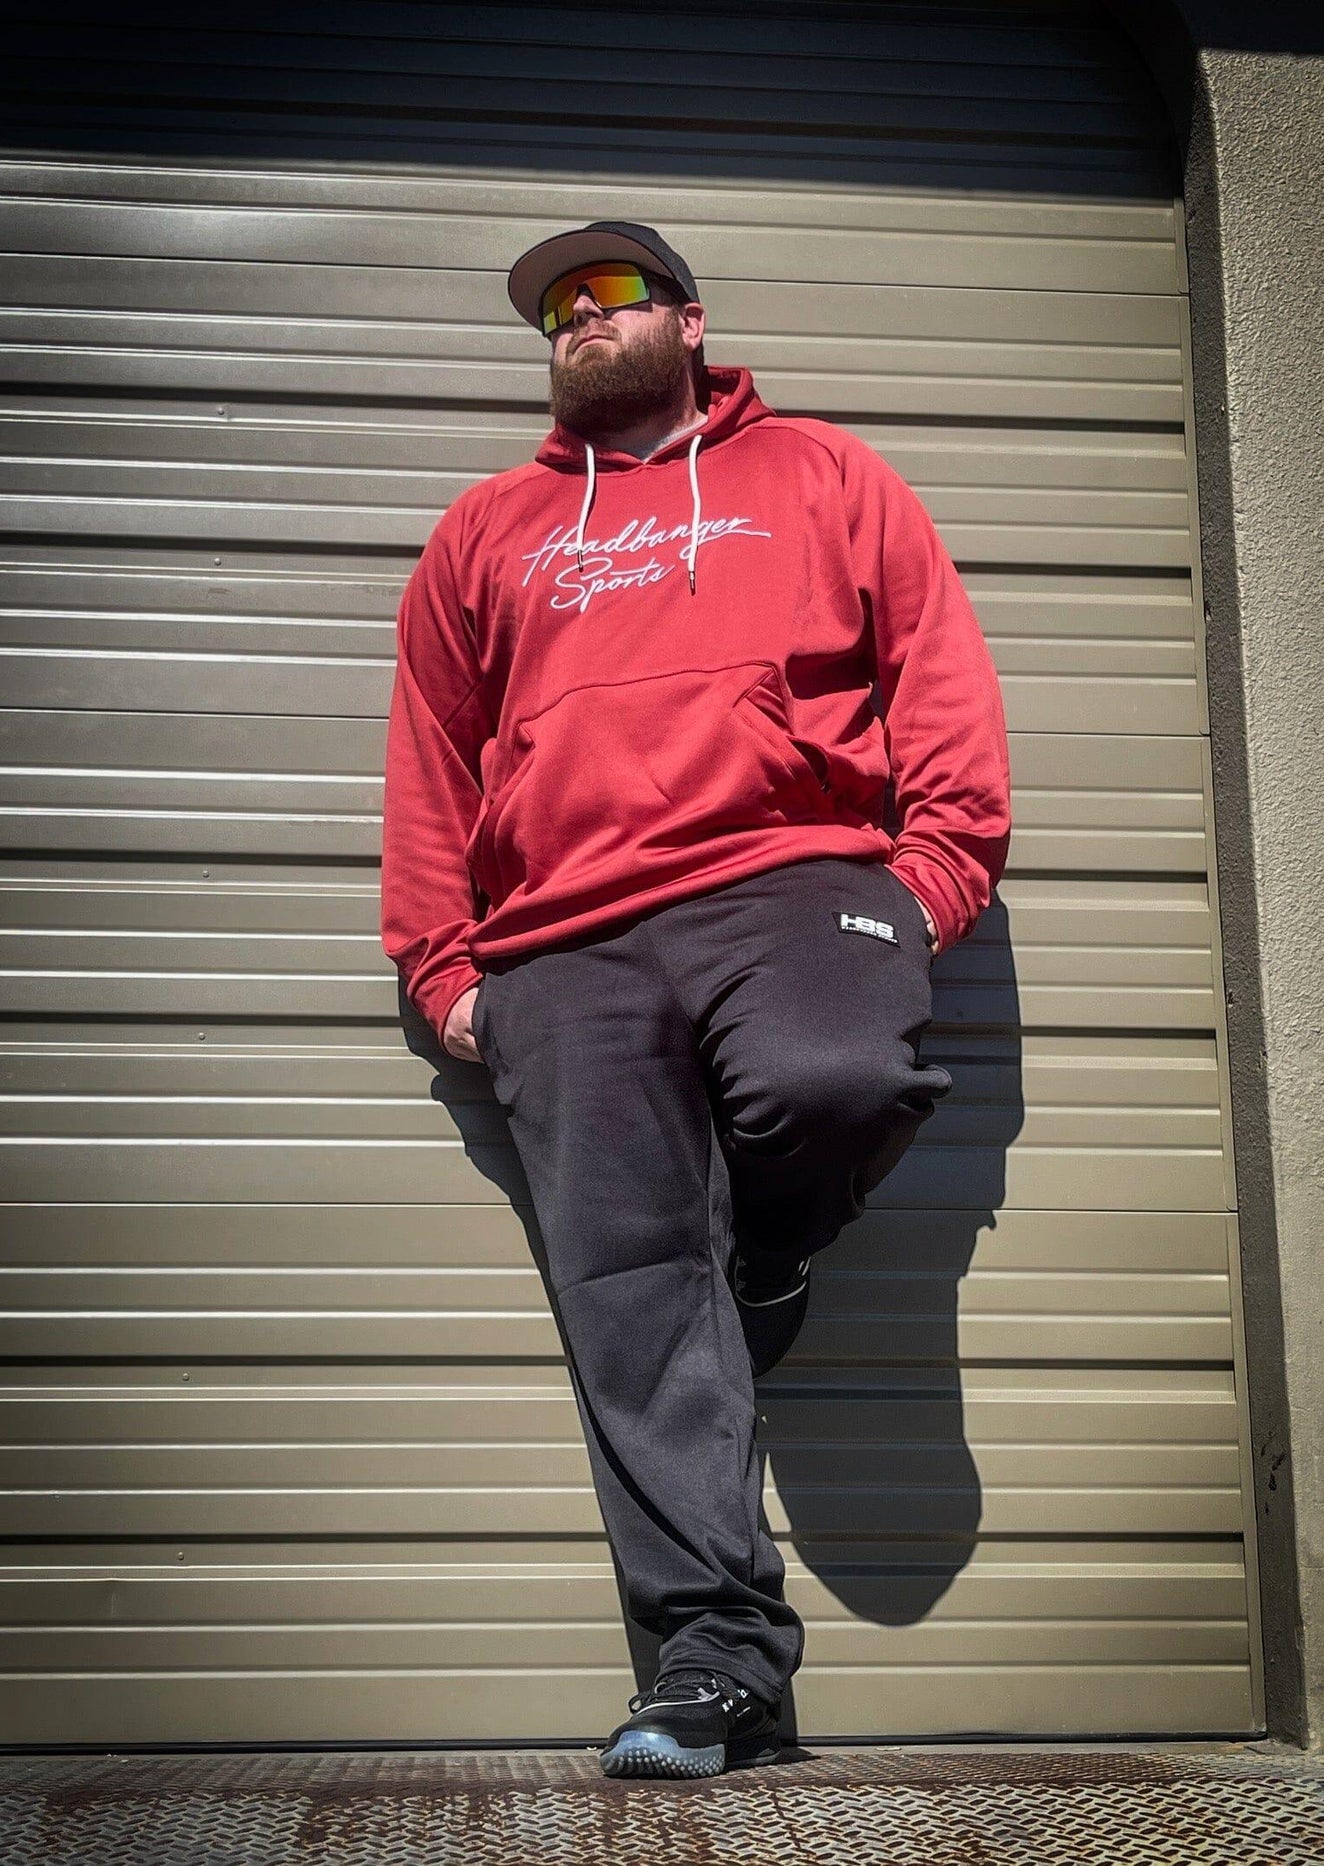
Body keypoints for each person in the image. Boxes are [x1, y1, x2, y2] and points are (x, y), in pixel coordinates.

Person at [380, 220, 1011, 1778]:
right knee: (632, 1292)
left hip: (789, 878)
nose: (579, 320)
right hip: (562, 936)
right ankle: (717, 1661)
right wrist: (444, 969)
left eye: (611, 293)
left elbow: (937, 679)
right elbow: (431, 760)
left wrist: (928, 883)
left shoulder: (825, 475)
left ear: (690, 318)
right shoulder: (485, 533)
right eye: (555, 311)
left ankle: (771, 1256)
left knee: (835, 1081)